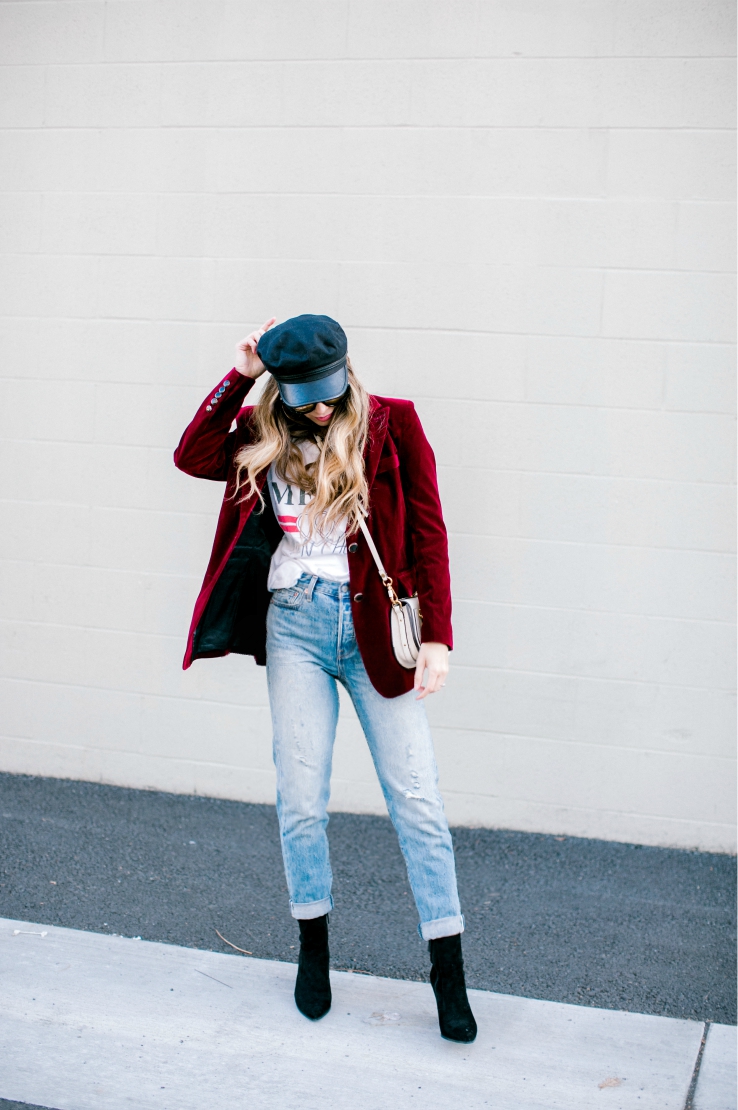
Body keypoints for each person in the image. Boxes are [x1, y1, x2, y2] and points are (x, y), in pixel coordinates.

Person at [174, 314, 477, 1043]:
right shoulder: (260, 430)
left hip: (375, 626)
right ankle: (314, 951)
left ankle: (448, 973)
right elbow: (192, 454)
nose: (318, 408)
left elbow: (430, 529)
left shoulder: (392, 424)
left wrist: (436, 636)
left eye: (328, 393)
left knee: (417, 801)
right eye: (303, 396)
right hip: (296, 626)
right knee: (302, 798)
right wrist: (241, 375)